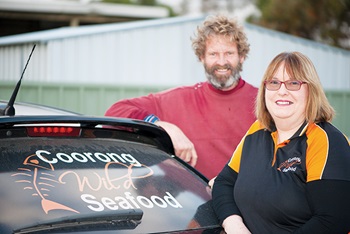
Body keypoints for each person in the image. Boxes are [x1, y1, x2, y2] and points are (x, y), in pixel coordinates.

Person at [105, 14, 258, 179]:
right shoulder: (180, 99)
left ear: (241, 56)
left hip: (245, 203)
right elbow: (116, 110)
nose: (221, 62)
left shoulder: (263, 100)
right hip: (197, 202)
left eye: (229, 53)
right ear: (202, 58)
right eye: (213, 54)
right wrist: (161, 126)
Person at [212, 51, 350, 233]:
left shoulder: (325, 140)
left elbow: (332, 221)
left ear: (311, 90)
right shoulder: (258, 130)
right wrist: (234, 225)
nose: (282, 91)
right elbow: (224, 183)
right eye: (274, 82)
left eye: (294, 83)